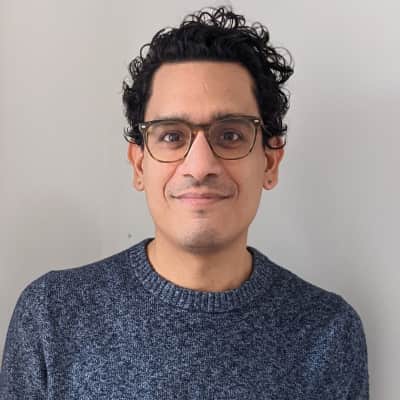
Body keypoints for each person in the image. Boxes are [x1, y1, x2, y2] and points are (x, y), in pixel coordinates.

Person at [0, 6, 369, 399]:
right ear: (139, 164)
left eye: (230, 135)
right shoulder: (51, 315)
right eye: (172, 136)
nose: (200, 166)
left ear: (270, 162)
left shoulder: (329, 332)